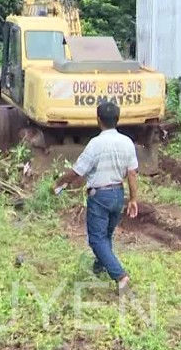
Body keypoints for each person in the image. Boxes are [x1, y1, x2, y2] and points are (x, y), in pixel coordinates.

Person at [53, 101, 140, 294]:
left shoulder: (95, 144)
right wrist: (133, 199)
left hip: (100, 196)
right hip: (118, 194)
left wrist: (59, 183)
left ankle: (121, 277)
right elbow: (132, 173)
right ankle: (99, 268)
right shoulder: (127, 142)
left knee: (96, 240)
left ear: (98, 119)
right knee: (106, 235)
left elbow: (77, 171)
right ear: (117, 119)